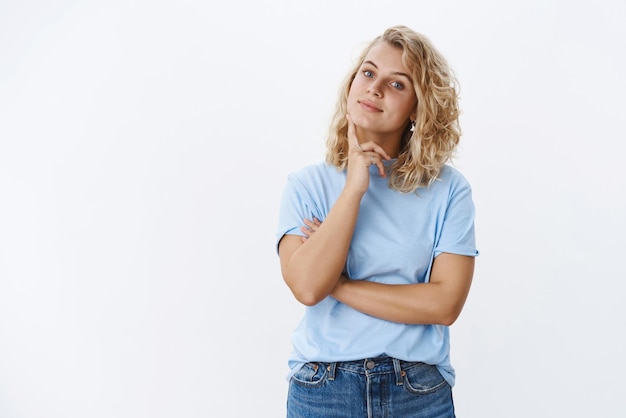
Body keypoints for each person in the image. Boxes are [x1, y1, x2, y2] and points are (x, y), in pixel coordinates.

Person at [275, 25, 478, 418]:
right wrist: (353, 188)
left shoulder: (449, 190)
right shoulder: (307, 185)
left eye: (397, 84)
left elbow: (444, 303)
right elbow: (306, 286)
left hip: (418, 392)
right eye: (368, 73)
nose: (375, 88)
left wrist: (341, 284)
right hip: (323, 390)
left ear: (418, 107)